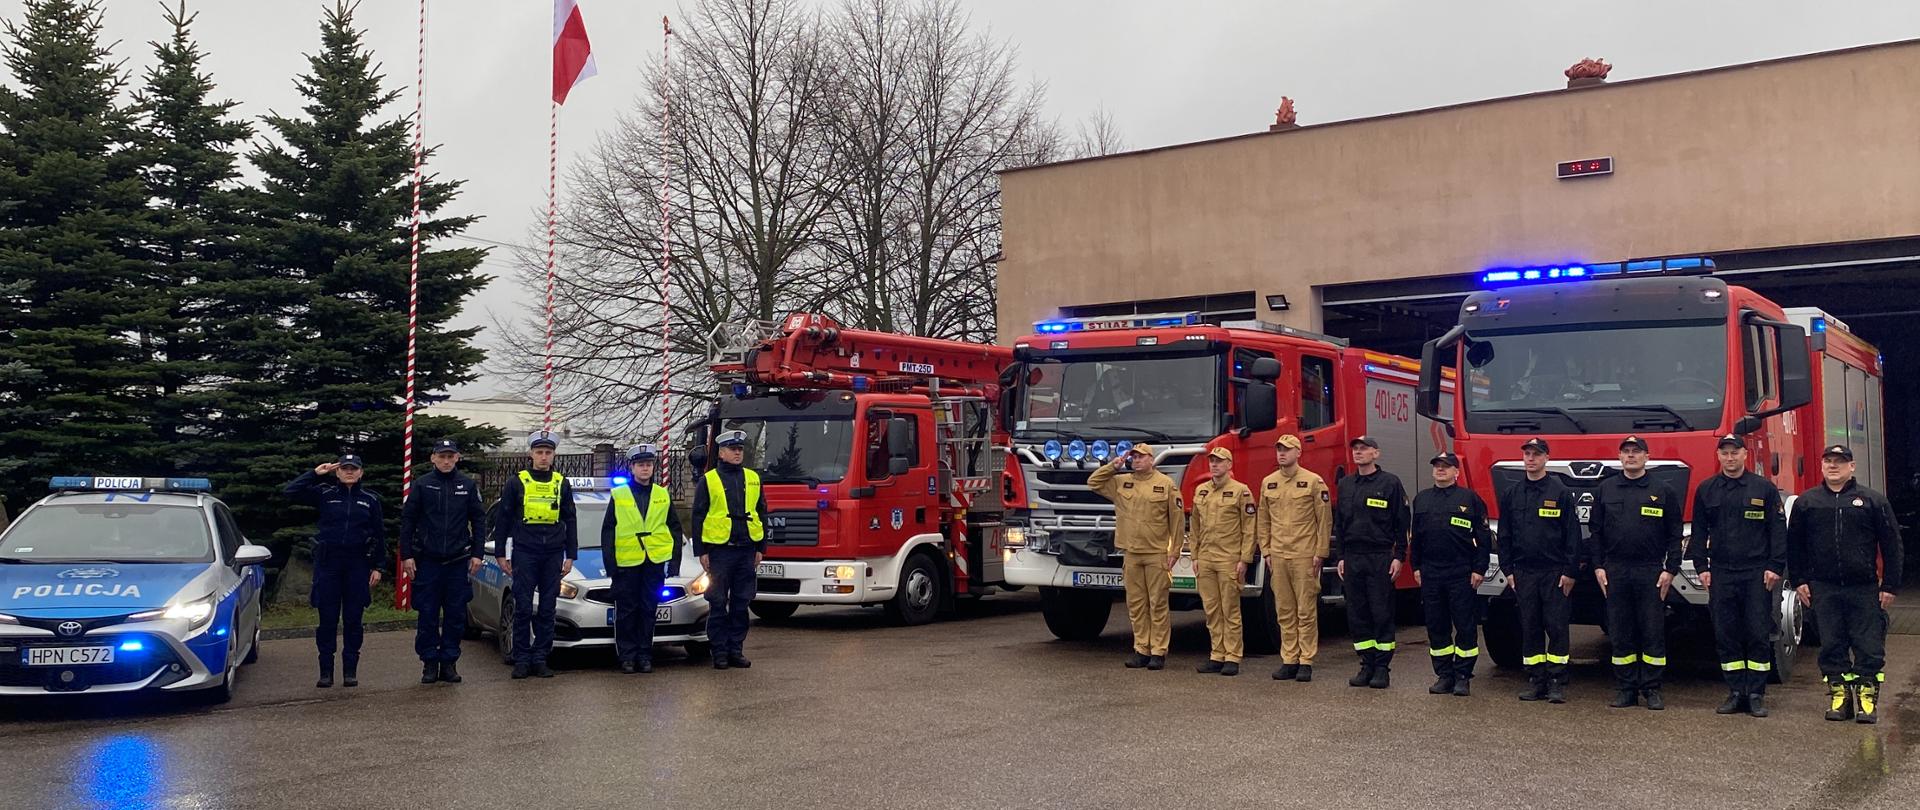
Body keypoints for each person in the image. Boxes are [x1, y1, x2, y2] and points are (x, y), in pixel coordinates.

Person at [1788, 444, 1903, 723]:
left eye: (1840, 461)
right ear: (1822, 466)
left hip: (1864, 587)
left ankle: (1866, 701)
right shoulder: (1807, 503)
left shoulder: (1873, 501)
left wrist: (1890, 585)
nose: (1833, 466)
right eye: (1828, 461)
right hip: (1824, 588)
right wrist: (1800, 580)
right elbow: (1794, 546)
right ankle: (1840, 699)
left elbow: (1892, 545)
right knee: (1831, 645)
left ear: (1851, 466)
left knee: (1869, 646)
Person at [1687, 434, 1786, 717]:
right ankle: (1735, 691)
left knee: (1757, 632)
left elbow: (1778, 531)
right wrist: (1701, 567)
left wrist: (1775, 566)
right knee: (1726, 633)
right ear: (1719, 456)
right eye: (1725, 453)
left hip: (1756, 573)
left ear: (1745, 454)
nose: (1730, 458)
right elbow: (1699, 532)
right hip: (1721, 573)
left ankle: (1755, 694)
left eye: (1735, 452)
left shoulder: (1764, 489)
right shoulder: (1706, 490)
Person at [1587, 436, 1683, 710]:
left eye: (1636, 452)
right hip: (1616, 570)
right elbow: (1596, 533)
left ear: (1646, 457)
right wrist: (1598, 566)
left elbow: (1675, 534)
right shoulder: (1605, 490)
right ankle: (1626, 688)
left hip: (1650, 570)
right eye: (1626, 452)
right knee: (1620, 632)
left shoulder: (1662, 491)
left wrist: (1670, 569)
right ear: (1620, 457)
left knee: (1652, 631)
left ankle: (1652, 688)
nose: (1631, 456)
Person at [285, 454, 386, 688]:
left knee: (353, 620)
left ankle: (350, 671)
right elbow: (290, 492)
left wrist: (378, 566)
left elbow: (379, 534)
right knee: (327, 620)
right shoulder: (325, 494)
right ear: (337, 472)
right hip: (329, 564)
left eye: (354, 469)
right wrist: (315, 473)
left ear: (361, 472)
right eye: (345, 468)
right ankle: (326, 672)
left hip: (357, 565)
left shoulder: (370, 500)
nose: (349, 472)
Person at [1086, 443, 1184, 670]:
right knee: (1136, 604)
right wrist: (1113, 466)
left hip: (1156, 553)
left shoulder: (1165, 484)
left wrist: (1175, 551)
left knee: (1157, 604)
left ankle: (1158, 651)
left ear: (1151, 459)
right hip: (1131, 553)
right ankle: (1141, 649)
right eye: (1134, 457)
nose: (1136, 460)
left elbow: (1177, 522)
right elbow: (1093, 482)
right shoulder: (1121, 482)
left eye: (1141, 457)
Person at [1499, 437, 1580, 704]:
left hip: (1554, 572)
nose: (1531, 459)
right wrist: (1508, 570)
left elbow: (1572, 535)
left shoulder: (1560, 491)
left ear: (1547, 458)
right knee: (1530, 626)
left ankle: (1556, 680)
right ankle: (1536, 679)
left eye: (1536, 454)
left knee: (1556, 627)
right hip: (1524, 572)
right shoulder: (1512, 493)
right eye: (1527, 454)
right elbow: (1505, 535)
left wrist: (1570, 572)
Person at [492, 430, 578, 680]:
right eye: (539, 452)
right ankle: (521, 659)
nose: (543, 457)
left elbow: (570, 519)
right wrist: (500, 553)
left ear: (553, 455)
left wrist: (570, 555)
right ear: (531, 454)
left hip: (553, 553)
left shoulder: (561, 483)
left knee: (548, 609)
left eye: (548, 452)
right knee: (523, 607)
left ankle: (540, 658)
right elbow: (503, 519)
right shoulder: (516, 482)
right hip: (525, 552)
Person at [399, 439, 486, 685]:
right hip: (428, 561)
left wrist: (477, 554)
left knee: (455, 615)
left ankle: (449, 662)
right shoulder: (422, 484)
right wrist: (406, 555)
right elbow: (408, 521)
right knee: (427, 614)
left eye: (450, 456)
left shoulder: (467, 485)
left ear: (457, 458)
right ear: (433, 458)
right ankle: (429, 662)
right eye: (442, 456)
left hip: (458, 561)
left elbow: (479, 521)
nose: (446, 461)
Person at [1409, 451, 1490, 697]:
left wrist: (1479, 568)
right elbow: (1416, 537)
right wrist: (1416, 566)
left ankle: (1463, 676)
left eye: (1446, 466)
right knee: (1436, 625)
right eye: (1437, 466)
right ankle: (1444, 675)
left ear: (1456, 472)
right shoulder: (1422, 499)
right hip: (1431, 572)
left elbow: (1483, 538)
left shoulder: (1469, 499)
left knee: (1465, 625)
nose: (1440, 469)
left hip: (1461, 572)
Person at [599, 444, 685, 674]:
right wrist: (610, 564)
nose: (645, 468)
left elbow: (675, 529)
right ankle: (627, 657)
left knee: (648, 609)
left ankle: (645, 655)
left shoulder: (662, 494)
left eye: (648, 464)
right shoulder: (619, 495)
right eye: (640, 465)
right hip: (626, 563)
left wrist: (674, 562)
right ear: (632, 468)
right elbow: (608, 531)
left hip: (654, 561)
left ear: (653, 467)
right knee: (627, 611)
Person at [1333, 435, 1409, 689]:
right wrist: (1341, 556)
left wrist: (1399, 556)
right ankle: (1366, 664)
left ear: (1376, 453)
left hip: (1379, 556)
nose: (1358, 452)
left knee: (1381, 612)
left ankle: (1382, 668)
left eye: (1364, 449)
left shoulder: (1390, 483)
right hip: (1353, 557)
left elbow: (1402, 523)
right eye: (1355, 449)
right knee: (1357, 614)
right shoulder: (1345, 484)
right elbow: (1340, 525)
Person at [1257, 434, 1331, 683]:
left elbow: (1324, 521)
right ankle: (1289, 659)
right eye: (1279, 449)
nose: (1282, 453)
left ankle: (1306, 660)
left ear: (1298, 452)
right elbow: (1263, 520)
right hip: (1278, 555)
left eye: (1287, 449)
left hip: (1304, 555)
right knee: (1284, 610)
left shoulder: (1313, 482)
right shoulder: (1269, 482)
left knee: (1306, 610)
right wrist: (1266, 551)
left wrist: (1320, 553)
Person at [693, 429, 768, 670]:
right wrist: (702, 551)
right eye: (732, 449)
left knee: (741, 603)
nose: (737, 453)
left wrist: (761, 547)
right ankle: (719, 652)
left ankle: (736, 650)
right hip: (720, 551)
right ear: (721, 453)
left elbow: (761, 512)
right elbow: (698, 516)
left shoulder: (753, 478)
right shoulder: (709, 480)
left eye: (740, 449)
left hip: (746, 549)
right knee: (717, 603)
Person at [1187, 447, 1256, 676]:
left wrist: (1245, 559)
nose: (1214, 465)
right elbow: (1195, 527)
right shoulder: (1202, 491)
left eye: (1219, 461)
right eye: (1212, 461)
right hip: (1206, 558)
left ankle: (1233, 656)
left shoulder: (1240, 491)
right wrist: (1194, 555)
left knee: (1230, 609)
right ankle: (1217, 654)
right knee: (1212, 610)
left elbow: (1249, 528)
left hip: (1229, 558)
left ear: (1229, 465)